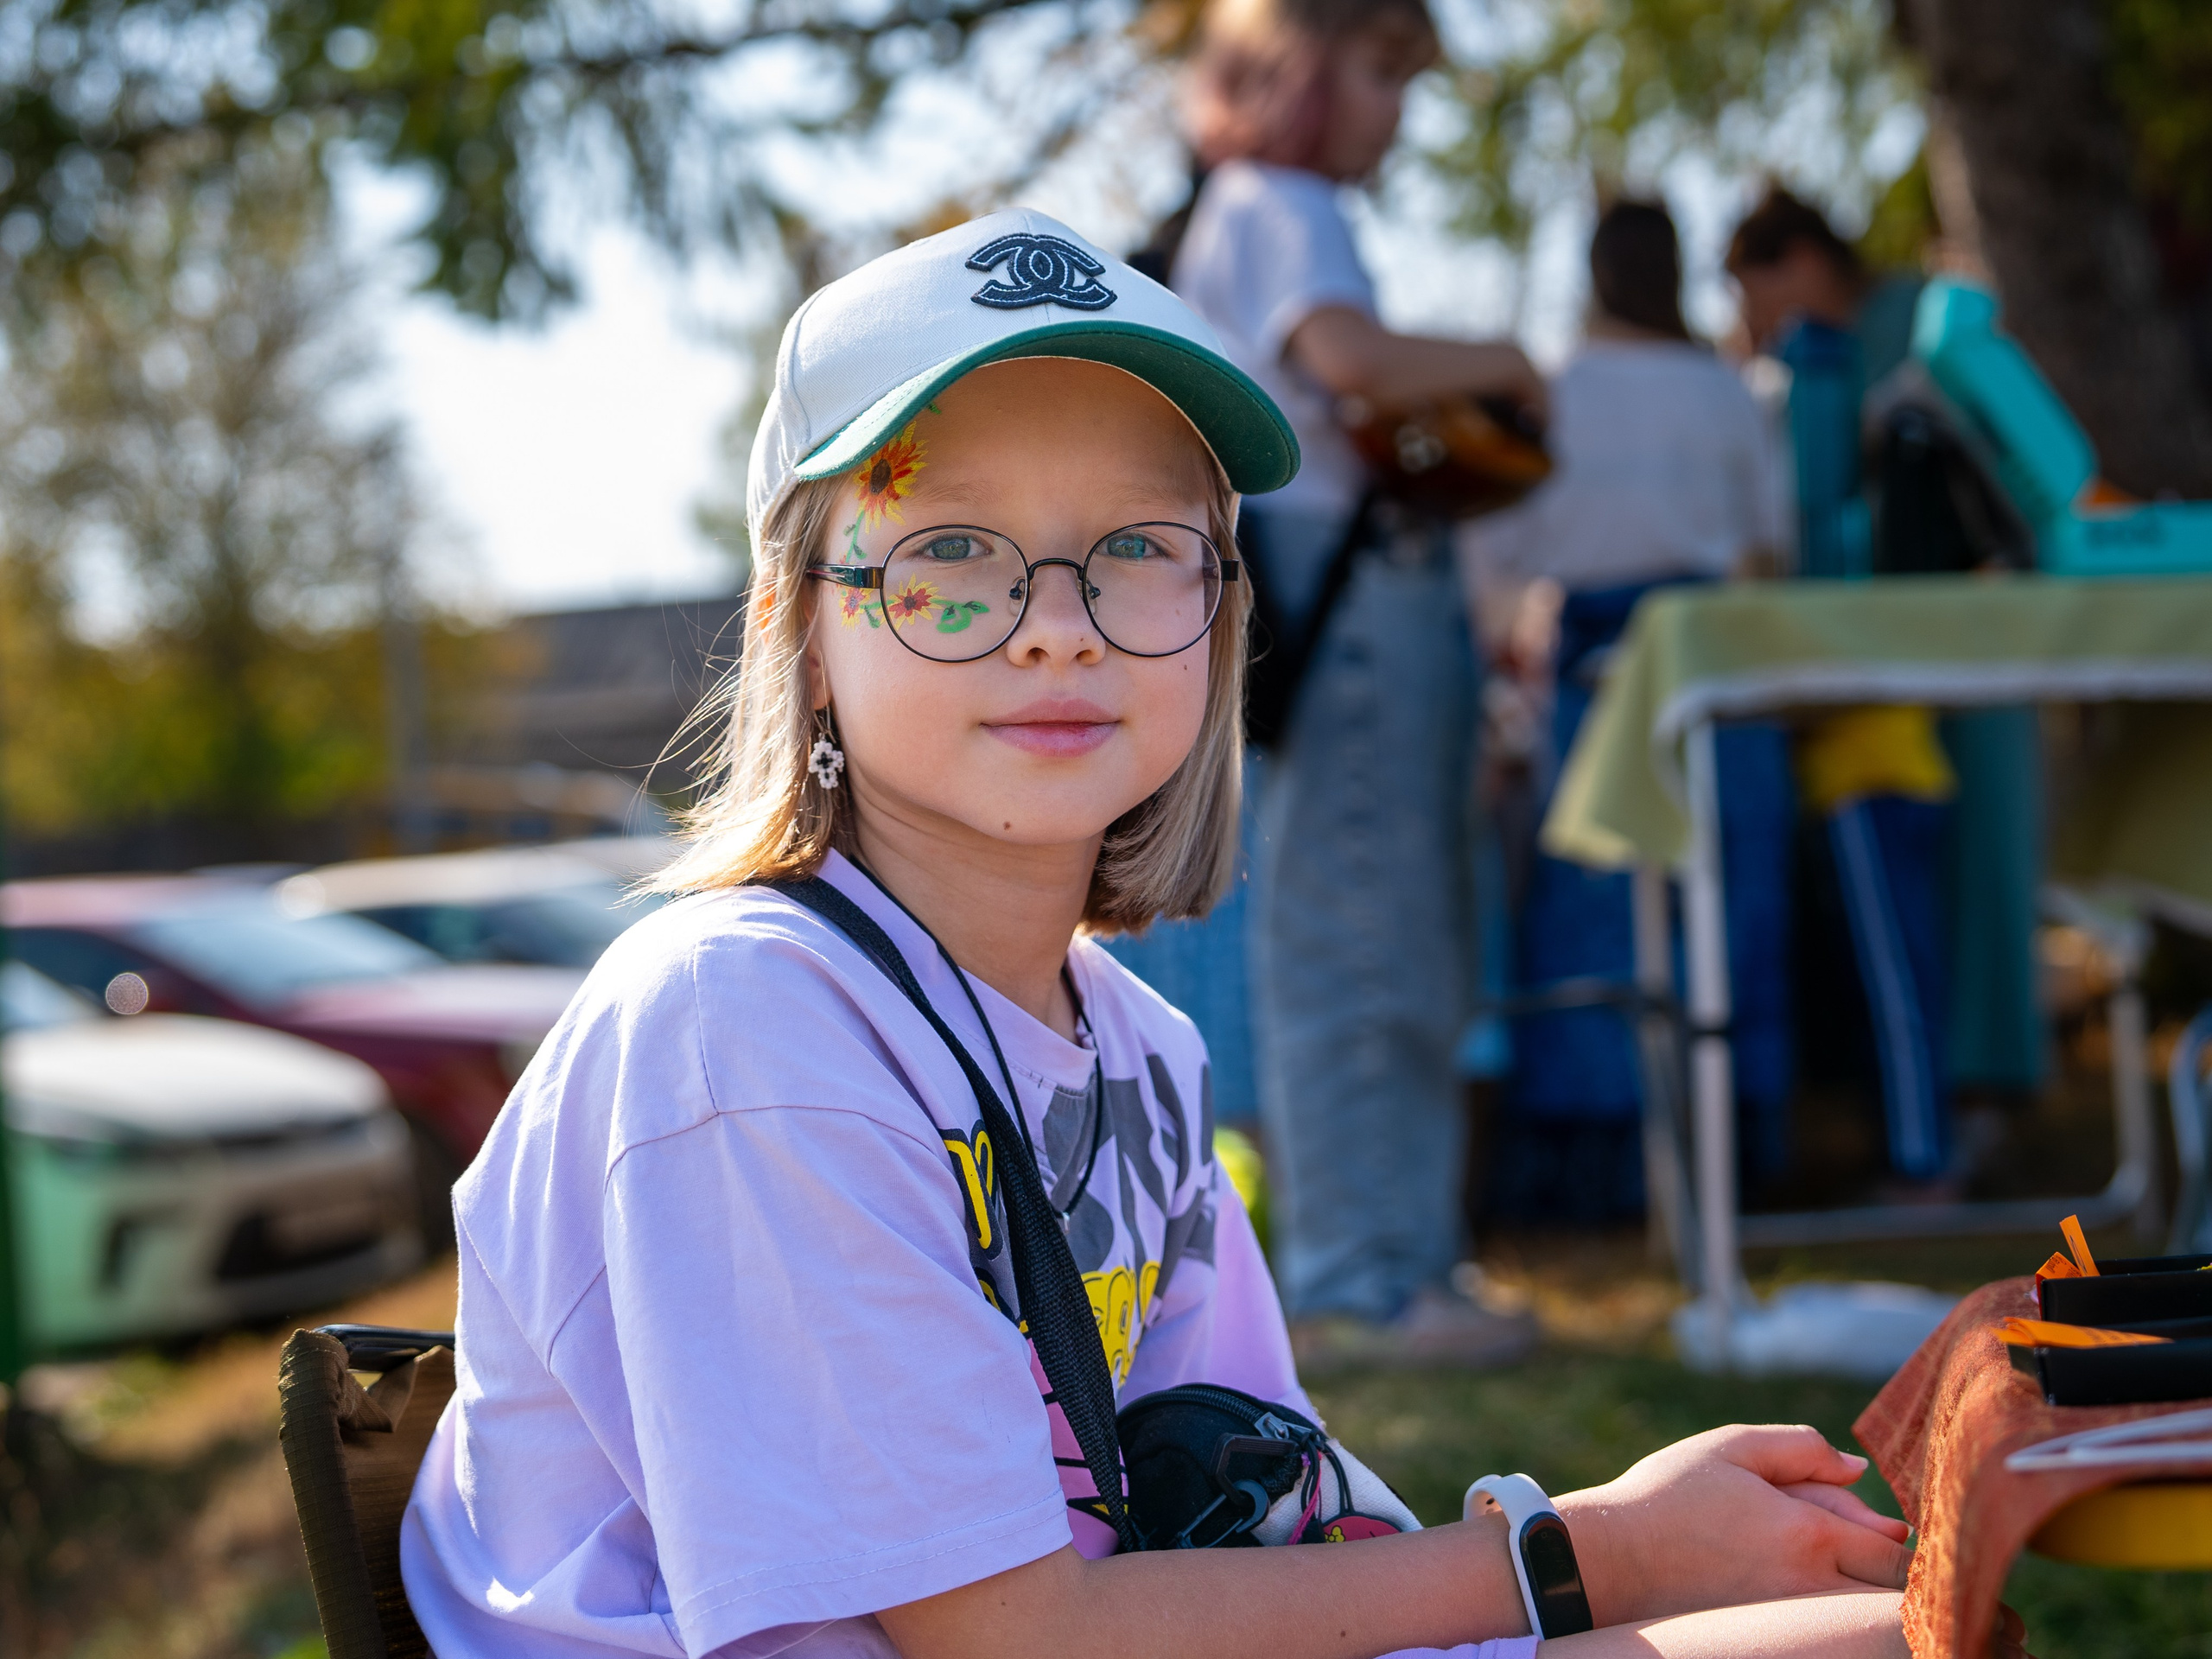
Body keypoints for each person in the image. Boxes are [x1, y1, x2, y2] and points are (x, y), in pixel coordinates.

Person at [398, 208, 1919, 1659]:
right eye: (950, 557)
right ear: (803, 619)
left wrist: (1604, 1561)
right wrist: (1585, 1556)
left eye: (1138, 548)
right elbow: (1012, 1638)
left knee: (1904, 1633)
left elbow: (1252, 1525)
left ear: (1222, 615)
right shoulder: (745, 1032)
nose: (1057, 621)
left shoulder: (1132, 1042)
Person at [1171, 0, 1543, 1370]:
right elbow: (1356, 368)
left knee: (1376, 925)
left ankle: (1396, 1256)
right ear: (1302, 70)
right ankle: (1365, 1278)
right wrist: (1508, 364)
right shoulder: (1283, 202)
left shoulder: (1256, 209)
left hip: (1335, 589)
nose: (1398, 111)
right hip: (1353, 593)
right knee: (1371, 933)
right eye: (1385, 75)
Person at [1463, 200, 1797, 1217]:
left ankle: (1591, 1172)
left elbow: (1492, 554)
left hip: (1597, 680)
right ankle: (1729, 1162)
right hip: (1708, 674)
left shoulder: (1555, 393)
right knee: (1727, 907)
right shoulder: (1723, 392)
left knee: (1591, 907)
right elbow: (1773, 547)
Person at [1726, 187, 2045, 1196]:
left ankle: (1973, 1111)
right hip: (1874, 692)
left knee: (1978, 883)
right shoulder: (1803, 365)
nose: (1753, 319)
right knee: (1905, 927)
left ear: (1800, 261)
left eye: (1753, 288)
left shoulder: (1931, 318)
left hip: (1963, 654)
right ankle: (1929, 1123)